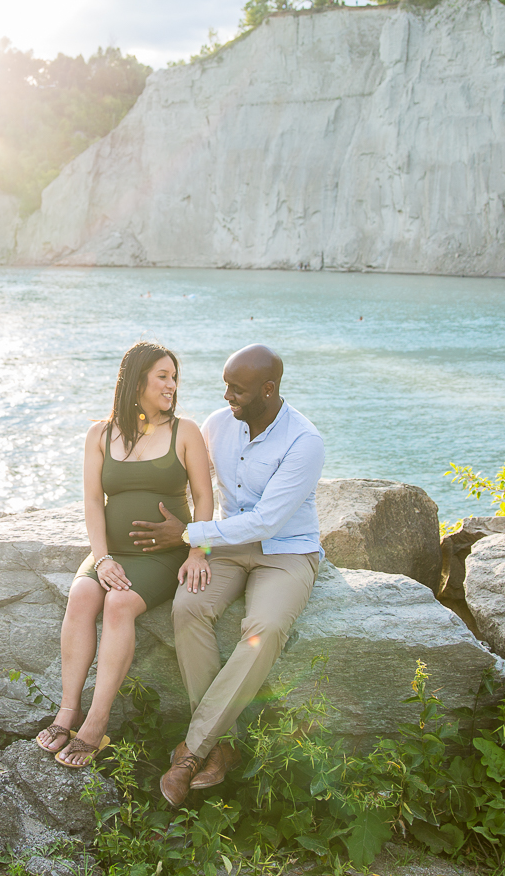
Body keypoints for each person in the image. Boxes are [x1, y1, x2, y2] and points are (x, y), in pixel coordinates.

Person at [127, 345, 325, 806]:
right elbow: (188, 480)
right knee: (189, 606)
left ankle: (192, 751)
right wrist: (194, 545)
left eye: (236, 388)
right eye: (226, 384)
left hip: (287, 551)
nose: (227, 394)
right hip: (225, 546)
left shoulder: (304, 441)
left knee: (265, 628)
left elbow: (268, 523)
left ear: (268, 390)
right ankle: (226, 746)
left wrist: (190, 533)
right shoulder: (218, 424)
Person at [35, 342, 214, 767]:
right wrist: (102, 559)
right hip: (111, 552)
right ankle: (68, 710)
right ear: (137, 380)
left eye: (174, 377)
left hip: (162, 556)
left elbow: (206, 499)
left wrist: (198, 552)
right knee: (81, 597)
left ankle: (96, 724)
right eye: (163, 376)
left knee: (117, 605)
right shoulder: (99, 434)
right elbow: (93, 502)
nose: (172, 385)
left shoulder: (185, 431)